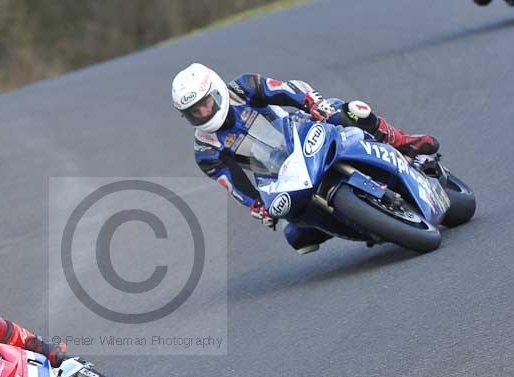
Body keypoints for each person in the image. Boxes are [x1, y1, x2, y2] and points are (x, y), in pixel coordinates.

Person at [171, 63, 440, 254]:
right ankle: (361, 225)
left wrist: (313, 103)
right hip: (277, 174)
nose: (203, 113)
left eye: (205, 104)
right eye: (194, 112)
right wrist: (257, 206)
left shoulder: (242, 88)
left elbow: (285, 91)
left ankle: (402, 141)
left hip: (300, 129)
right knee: (296, 233)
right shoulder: (205, 150)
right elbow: (234, 184)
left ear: (216, 91)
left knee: (351, 112)